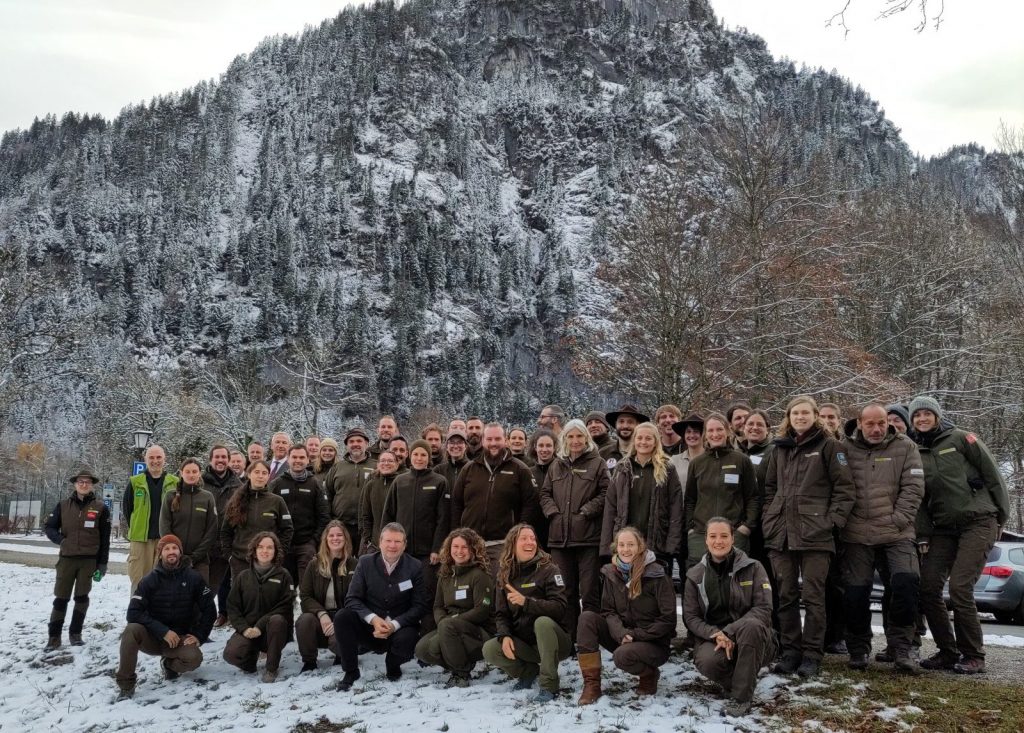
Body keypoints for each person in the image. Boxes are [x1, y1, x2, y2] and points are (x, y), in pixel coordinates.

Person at [910, 395, 1009, 674]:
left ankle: (974, 654)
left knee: (960, 588)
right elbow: (919, 499)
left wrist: (1001, 516)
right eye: (917, 415)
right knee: (928, 587)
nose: (922, 419)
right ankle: (947, 651)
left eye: (927, 414)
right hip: (943, 527)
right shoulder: (914, 451)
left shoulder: (962, 438)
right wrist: (923, 534)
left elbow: (993, 475)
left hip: (979, 521)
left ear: (937, 416)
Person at [762, 395, 855, 677]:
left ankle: (812, 654)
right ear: (788, 417)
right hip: (781, 534)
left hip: (816, 534)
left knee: (815, 597)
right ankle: (791, 651)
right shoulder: (779, 448)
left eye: (805, 413)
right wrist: (769, 519)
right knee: (786, 595)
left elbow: (845, 490)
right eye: (795, 413)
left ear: (815, 416)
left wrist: (831, 522)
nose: (800, 417)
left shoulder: (830, 446)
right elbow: (769, 489)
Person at [840, 402, 924, 673]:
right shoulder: (843, 449)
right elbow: (835, 484)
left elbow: (914, 487)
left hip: (896, 532)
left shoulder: (905, 446)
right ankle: (858, 648)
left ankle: (902, 649)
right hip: (856, 534)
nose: (876, 429)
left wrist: (898, 519)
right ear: (859, 424)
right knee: (855, 593)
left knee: (906, 583)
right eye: (870, 424)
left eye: (881, 423)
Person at [684, 518, 775, 717]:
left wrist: (729, 632)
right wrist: (716, 634)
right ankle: (740, 682)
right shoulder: (695, 575)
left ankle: (741, 699)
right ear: (706, 540)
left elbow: (763, 608)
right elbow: (691, 618)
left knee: (752, 625)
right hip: (715, 639)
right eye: (713, 536)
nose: (719, 541)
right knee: (707, 661)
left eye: (724, 536)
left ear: (733, 538)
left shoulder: (754, 567)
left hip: (753, 638)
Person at [576, 527, 676, 704]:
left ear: (640, 546)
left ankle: (649, 674)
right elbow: (608, 611)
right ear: (616, 548)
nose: (626, 549)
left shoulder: (657, 574)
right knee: (587, 618)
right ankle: (592, 685)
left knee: (622, 656)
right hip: (623, 636)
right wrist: (621, 633)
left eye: (631, 544)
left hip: (653, 643)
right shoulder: (610, 572)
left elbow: (668, 619)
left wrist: (635, 635)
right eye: (621, 545)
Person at [115, 534, 215, 699]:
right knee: (131, 630)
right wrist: (162, 631)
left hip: (179, 638)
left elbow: (210, 610)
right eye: (166, 549)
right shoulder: (148, 580)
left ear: (180, 552)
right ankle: (126, 685)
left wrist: (199, 635)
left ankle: (169, 665)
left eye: (175, 548)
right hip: (153, 637)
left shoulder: (194, 578)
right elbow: (133, 613)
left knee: (194, 659)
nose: (171, 551)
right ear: (160, 554)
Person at [482, 524, 571, 703]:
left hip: (555, 643)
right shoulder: (504, 575)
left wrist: (526, 603)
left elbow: (560, 608)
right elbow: (501, 614)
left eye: (532, 538)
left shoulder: (549, 569)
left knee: (542, 622)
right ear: (513, 544)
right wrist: (505, 635)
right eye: (524, 538)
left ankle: (549, 685)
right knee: (490, 649)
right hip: (526, 645)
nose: (530, 542)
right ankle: (528, 672)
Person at [334, 523, 429, 690]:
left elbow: (420, 606)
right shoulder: (365, 563)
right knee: (342, 617)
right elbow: (352, 599)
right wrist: (373, 619)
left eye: (397, 541)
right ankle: (351, 671)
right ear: (380, 542)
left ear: (404, 544)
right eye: (388, 541)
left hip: (399, 629)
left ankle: (393, 665)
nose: (393, 545)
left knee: (408, 637)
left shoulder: (415, 567)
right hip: (370, 628)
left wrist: (394, 625)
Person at [539, 419, 609, 642]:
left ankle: (590, 639)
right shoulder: (556, 465)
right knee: (565, 591)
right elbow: (545, 493)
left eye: (579, 436)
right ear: (564, 439)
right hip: (559, 540)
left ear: (586, 439)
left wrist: (587, 511)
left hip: (588, 539)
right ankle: (570, 638)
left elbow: (606, 493)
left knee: (589, 592)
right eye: (570, 436)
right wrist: (553, 513)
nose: (575, 440)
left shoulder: (597, 463)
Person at [452, 423, 538, 573]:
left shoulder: (520, 469)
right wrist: (458, 535)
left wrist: (518, 534)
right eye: (489, 439)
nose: (493, 443)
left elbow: (531, 504)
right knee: (469, 586)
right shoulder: (469, 469)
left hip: (502, 545)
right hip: (469, 544)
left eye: (497, 439)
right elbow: (456, 504)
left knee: (498, 585)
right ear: (483, 441)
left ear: (506, 440)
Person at [382, 440, 450, 631]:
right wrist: (387, 545)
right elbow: (388, 515)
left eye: (423, 455)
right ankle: (403, 634)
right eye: (416, 454)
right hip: (402, 552)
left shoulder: (439, 482)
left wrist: (437, 548)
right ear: (410, 456)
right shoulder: (400, 481)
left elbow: (443, 519)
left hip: (428, 554)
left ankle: (427, 634)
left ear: (429, 457)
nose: (419, 458)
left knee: (426, 594)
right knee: (402, 592)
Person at [414, 528, 495, 686]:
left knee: (445, 630)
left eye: (465, 547)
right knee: (422, 649)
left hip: (478, 632)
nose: (459, 551)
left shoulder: (479, 575)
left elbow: (482, 610)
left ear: (473, 550)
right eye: (455, 546)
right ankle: (459, 662)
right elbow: (438, 606)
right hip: (449, 626)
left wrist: (452, 621)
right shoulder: (445, 574)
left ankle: (461, 673)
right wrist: (442, 621)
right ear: (449, 549)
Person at [44, 466, 111, 650]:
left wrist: (102, 564)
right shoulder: (63, 505)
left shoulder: (101, 508)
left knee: (82, 598)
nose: (84, 484)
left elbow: (105, 539)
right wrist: (61, 541)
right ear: (75, 484)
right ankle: (54, 637)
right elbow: (49, 527)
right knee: (61, 598)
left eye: (87, 482)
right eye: (80, 481)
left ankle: (75, 634)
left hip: (89, 561)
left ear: (92, 485)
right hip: (67, 559)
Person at [601, 422, 683, 569]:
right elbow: (610, 507)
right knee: (626, 583)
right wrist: (607, 546)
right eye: (639, 438)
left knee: (655, 582)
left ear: (655, 441)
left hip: (657, 542)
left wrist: (672, 545)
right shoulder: (622, 468)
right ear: (634, 440)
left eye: (648, 438)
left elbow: (675, 507)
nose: (643, 442)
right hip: (626, 545)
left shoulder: (667, 468)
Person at [683, 413, 759, 568]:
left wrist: (746, 528)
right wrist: (691, 528)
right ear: (705, 434)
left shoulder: (741, 460)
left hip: (734, 533)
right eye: (710, 430)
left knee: (734, 577)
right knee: (699, 577)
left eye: (719, 429)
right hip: (700, 534)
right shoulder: (697, 463)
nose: (715, 434)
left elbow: (753, 497)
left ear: (728, 431)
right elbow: (690, 499)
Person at [223, 532, 295, 682]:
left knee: (277, 620)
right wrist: (244, 628)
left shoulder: (284, 575)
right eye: (260, 547)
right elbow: (232, 606)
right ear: (254, 550)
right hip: (249, 631)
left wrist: (260, 626)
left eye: (269, 547)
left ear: (275, 551)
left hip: (274, 632)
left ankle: (271, 668)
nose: (264, 551)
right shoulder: (243, 576)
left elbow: (285, 606)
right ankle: (250, 662)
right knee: (231, 654)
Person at [296, 520, 357, 671]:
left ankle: (342, 655)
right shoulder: (314, 565)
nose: (335, 538)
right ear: (325, 539)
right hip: (321, 619)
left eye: (339, 535)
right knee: (304, 620)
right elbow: (305, 596)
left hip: (344, 618)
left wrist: (340, 621)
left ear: (346, 538)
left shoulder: (355, 565)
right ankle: (309, 661)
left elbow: (358, 597)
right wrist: (322, 614)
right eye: (331, 535)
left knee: (339, 643)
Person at [220, 460, 294, 580]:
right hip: (240, 562)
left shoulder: (277, 501)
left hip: (267, 563)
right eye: (257, 472)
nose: (260, 476)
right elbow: (225, 531)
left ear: (268, 476)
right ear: (249, 474)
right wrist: (230, 557)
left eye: (264, 473)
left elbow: (287, 530)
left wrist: (279, 554)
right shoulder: (236, 500)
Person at [270, 444, 329, 585]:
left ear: (308, 460)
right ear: (288, 459)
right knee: (284, 586)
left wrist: (314, 540)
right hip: (282, 544)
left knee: (307, 585)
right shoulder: (276, 483)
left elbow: (324, 516)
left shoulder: (315, 484)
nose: (298, 460)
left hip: (306, 545)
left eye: (302, 457)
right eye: (294, 457)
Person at [124, 444, 179, 593]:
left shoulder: (175, 482)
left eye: (159, 457)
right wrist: (138, 527)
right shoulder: (135, 482)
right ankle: (137, 606)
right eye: (151, 458)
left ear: (164, 459)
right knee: (138, 580)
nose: (155, 461)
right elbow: (128, 509)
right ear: (145, 460)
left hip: (165, 539)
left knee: (162, 581)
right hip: (140, 540)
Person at [159, 458, 219, 584]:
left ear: (200, 473)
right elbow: (164, 527)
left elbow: (211, 530)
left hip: (200, 560)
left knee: (200, 594)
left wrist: (195, 557)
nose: (191, 475)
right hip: (173, 559)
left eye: (194, 471)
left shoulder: (207, 497)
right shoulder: (170, 496)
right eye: (187, 471)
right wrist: (176, 553)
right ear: (181, 473)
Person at [203, 446, 242, 626]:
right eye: (217, 457)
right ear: (210, 459)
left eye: (223, 457)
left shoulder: (238, 486)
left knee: (212, 589)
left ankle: (207, 623)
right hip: (203, 547)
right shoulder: (201, 483)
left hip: (224, 547)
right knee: (199, 589)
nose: (220, 460)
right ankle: (195, 625)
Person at [324, 427, 378, 553]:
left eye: (359, 441)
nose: (355, 444)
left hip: (368, 525)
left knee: (364, 560)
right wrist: (331, 521)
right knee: (342, 560)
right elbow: (327, 495)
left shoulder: (376, 466)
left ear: (366, 443)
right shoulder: (337, 467)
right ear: (347, 445)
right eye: (351, 441)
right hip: (341, 525)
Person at [358, 451, 401, 555]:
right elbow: (365, 515)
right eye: (383, 461)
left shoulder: (402, 483)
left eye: (390, 461)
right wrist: (367, 539)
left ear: (397, 464)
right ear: (377, 464)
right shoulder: (371, 485)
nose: (386, 463)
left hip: (396, 543)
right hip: (375, 543)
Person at [436, 430, 470, 496]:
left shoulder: (473, 468)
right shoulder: (439, 470)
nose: (456, 446)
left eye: (460, 442)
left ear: (465, 446)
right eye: (451, 442)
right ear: (446, 447)